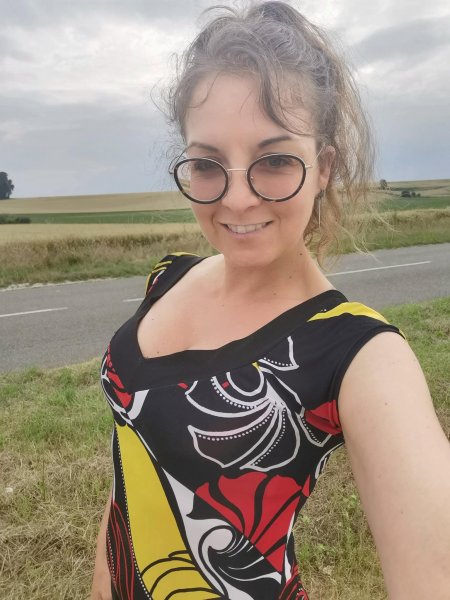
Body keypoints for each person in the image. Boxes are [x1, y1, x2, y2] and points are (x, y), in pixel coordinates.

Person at [90, 2, 450, 599]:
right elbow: (131, 462)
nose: (237, 199)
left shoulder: (355, 351)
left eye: (275, 160)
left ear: (324, 166)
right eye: (208, 164)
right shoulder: (168, 278)